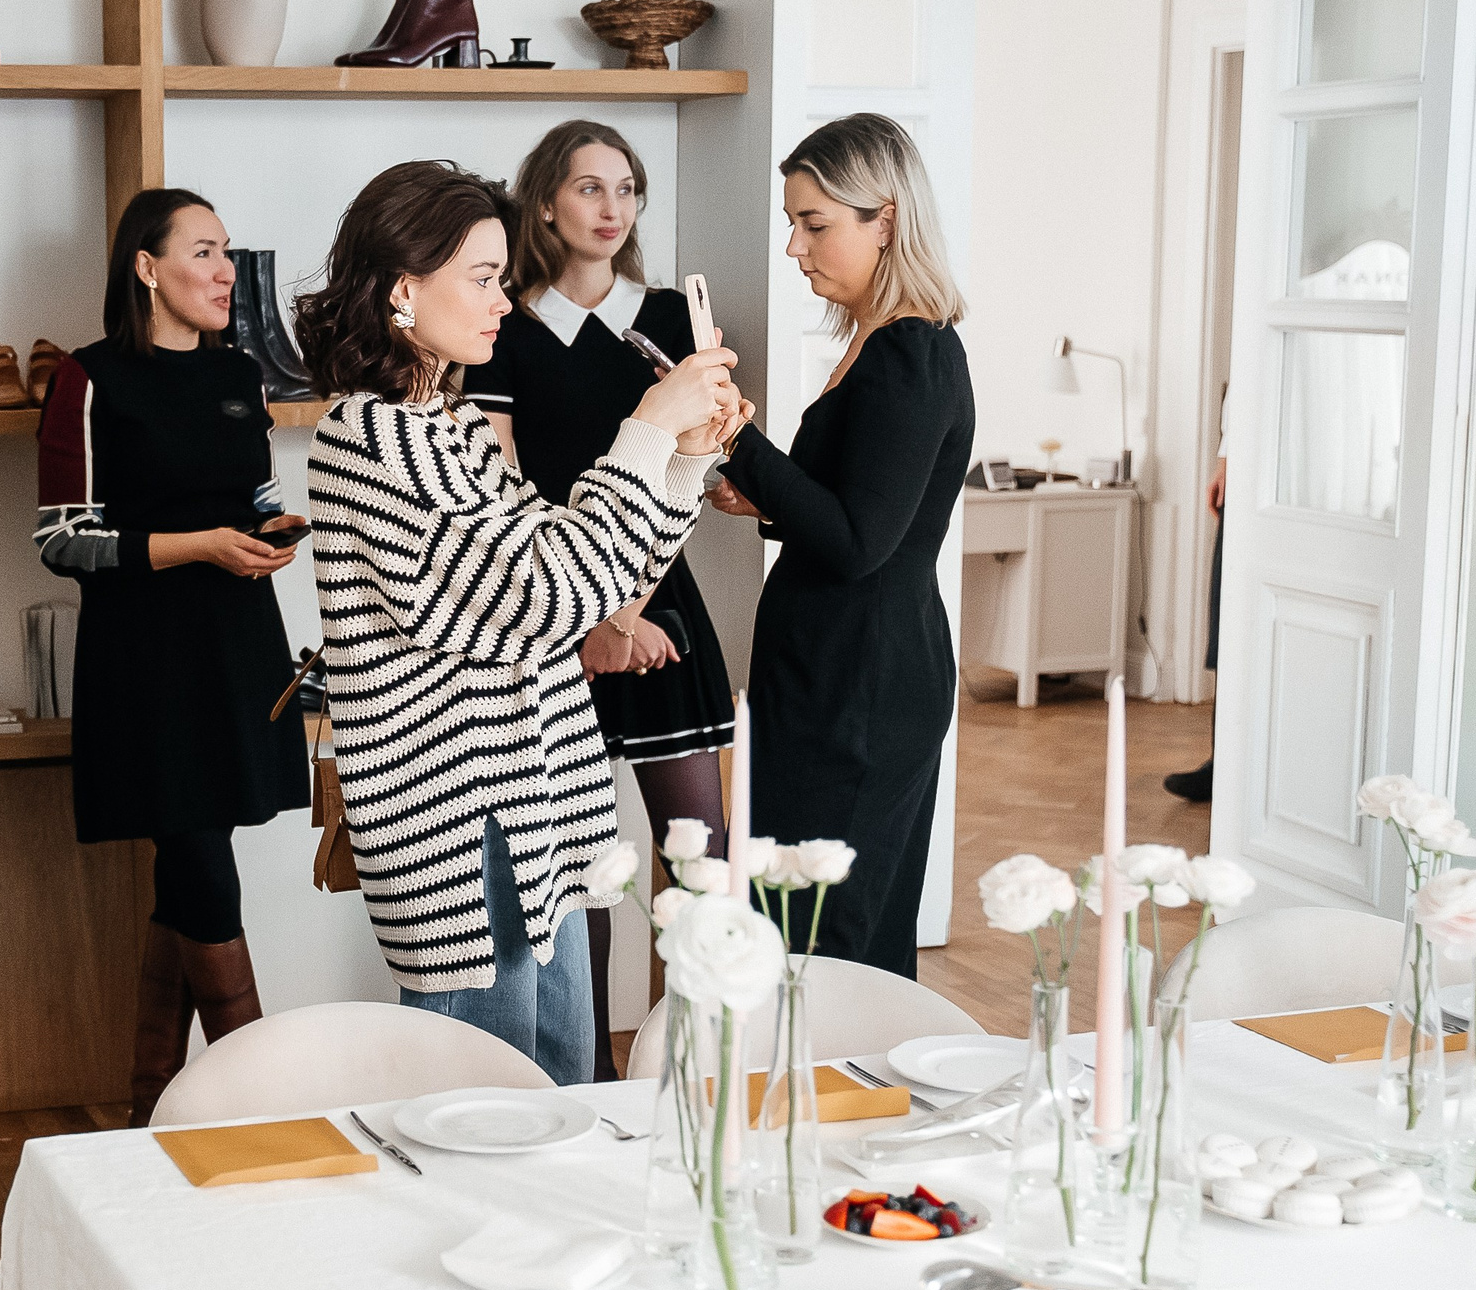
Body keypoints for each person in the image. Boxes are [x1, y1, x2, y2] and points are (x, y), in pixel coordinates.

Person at [298, 160, 739, 1082]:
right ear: (402, 290)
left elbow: (593, 577)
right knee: (496, 1118)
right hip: (463, 828)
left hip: (534, 811)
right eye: (484, 278)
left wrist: (683, 461)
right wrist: (647, 428)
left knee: (562, 1093)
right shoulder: (370, 437)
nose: (504, 301)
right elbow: (542, 591)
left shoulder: (445, 425)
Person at [33, 187, 310, 1125]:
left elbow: (259, 491)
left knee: (191, 862)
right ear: (146, 268)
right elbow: (61, 541)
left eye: (229, 251)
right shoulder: (88, 378)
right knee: (201, 863)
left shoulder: (239, 372)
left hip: (238, 644)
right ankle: (256, 1104)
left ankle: (147, 1103)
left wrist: (280, 532)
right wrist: (198, 545)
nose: (227, 271)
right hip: (145, 661)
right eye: (204, 251)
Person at [466, 119, 736, 1080]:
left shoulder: (667, 317)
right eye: (590, 188)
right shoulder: (501, 324)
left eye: (627, 189)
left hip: (659, 599)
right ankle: (589, 1084)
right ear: (544, 201)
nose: (613, 208)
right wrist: (587, 610)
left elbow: (692, 472)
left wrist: (628, 608)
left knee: (699, 861)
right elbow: (500, 487)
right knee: (574, 865)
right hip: (552, 614)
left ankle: (683, 1067)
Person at [710, 113, 973, 978]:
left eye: (814, 224)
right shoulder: (871, 343)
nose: (794, 247)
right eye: (794, 223)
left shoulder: (911, 355)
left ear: (886, 218)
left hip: (863, 687)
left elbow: (862, 542)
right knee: (790, 931)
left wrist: (737, 436)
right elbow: (856, 509)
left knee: (832, 947)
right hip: (828, 674)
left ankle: (839, 1105)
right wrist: (764, 501)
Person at [1165, 390, 1226, 803]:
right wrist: (1225, 463)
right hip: (1239, 475)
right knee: (1225, 627)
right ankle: (1219, 762)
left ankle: (1227, 765)